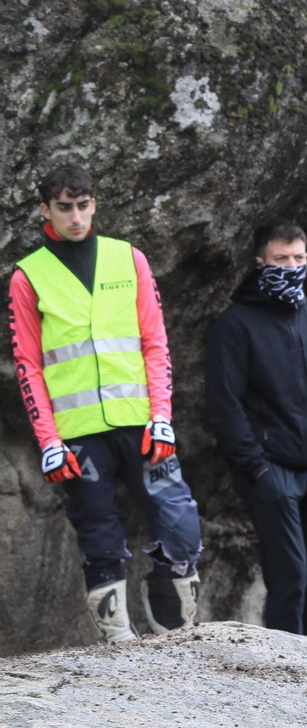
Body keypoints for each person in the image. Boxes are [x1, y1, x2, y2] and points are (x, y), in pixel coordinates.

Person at [7, 164, 203, 642]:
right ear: (45, 210)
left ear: (94, 203)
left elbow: (155, 342)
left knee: (179, 522)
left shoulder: (128, 258)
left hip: (141, 425)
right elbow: (27, 365)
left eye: (83, 205)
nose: (76, 217)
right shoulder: (27, 276)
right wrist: (49, 441)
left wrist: (162, 417)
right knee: (99, 535)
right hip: (77, 435)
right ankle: (120, 647)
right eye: (64, 207)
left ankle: (174, 636)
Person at [204, 221, 307, 641]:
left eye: (299, 258)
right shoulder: (235, 324)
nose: (291, 267)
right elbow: (224, 404)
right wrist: (256, 469)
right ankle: (285, 672)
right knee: (291, 579)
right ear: (260, 261)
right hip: (272, 471)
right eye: (281, 259)